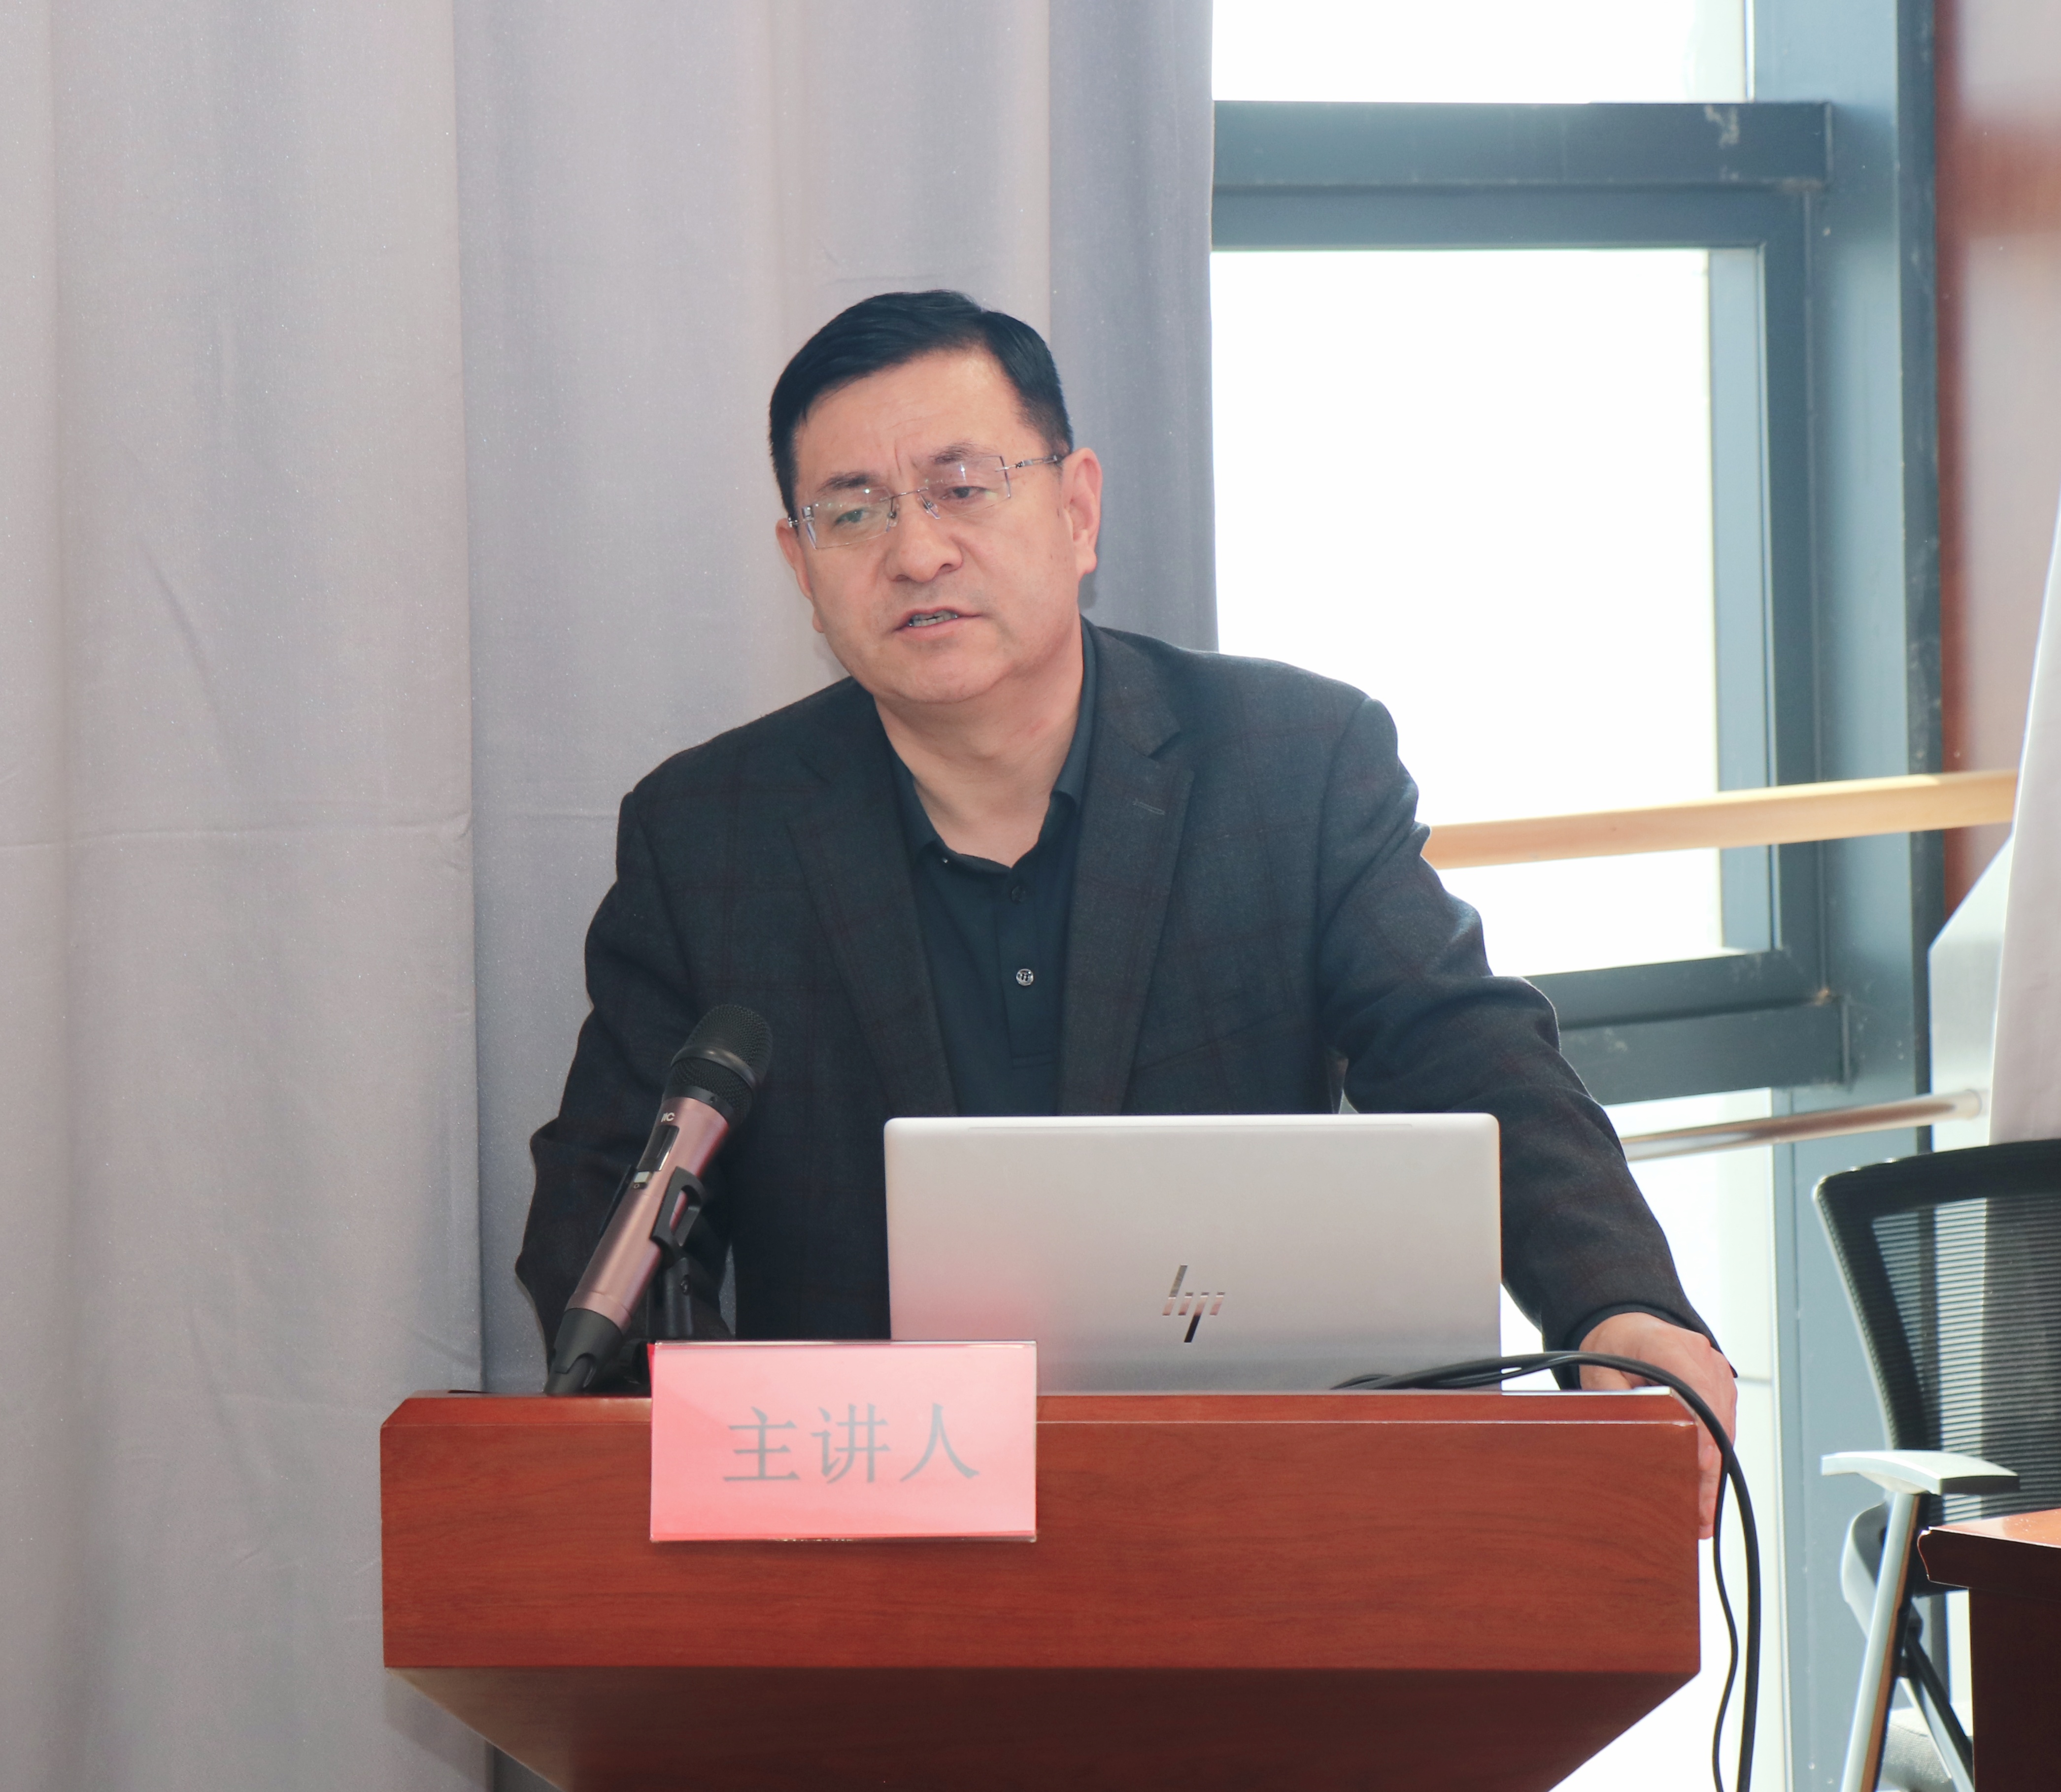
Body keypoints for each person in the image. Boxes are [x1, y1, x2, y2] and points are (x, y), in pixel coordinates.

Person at [517, 289, 1737, 1533]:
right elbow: (606, 1204)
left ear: (1078, 508)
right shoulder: (711, 832)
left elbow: (1466, 1056)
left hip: (1246, 1518)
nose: (917, 551)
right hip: (870, 1540)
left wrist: (1617, 1304)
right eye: (855, 510)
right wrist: (711, 1471)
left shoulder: (1291, 766)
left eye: (962, 487)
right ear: (801, 565)